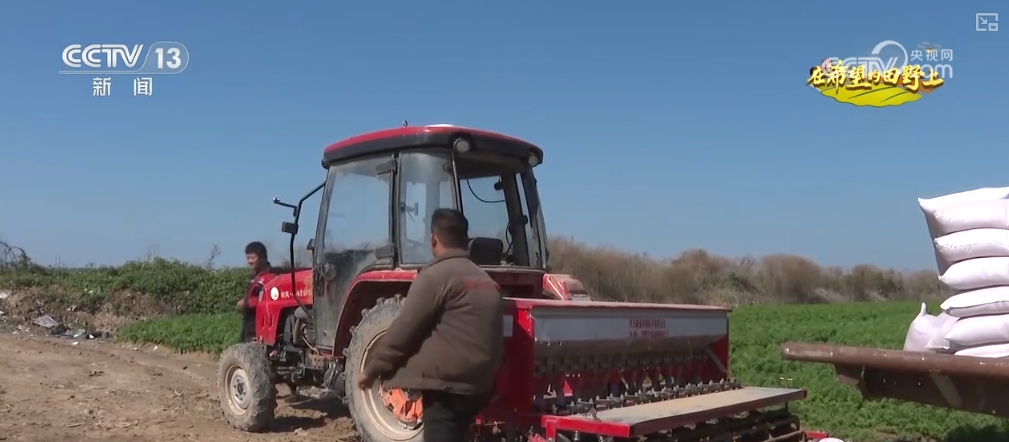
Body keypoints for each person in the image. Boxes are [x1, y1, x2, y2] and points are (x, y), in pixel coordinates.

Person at [359, 208, 504, 442]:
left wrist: (372, 369)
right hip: (480, 384)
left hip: (446, 388)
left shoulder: (435, 277)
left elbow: (404, 330)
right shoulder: (486, 280)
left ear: (433, 239)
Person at [237, 241, 273, 341]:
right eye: (248, 258)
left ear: (263, 258)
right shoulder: (257, 277)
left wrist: (246, 303)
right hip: (250, 322)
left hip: (258, 323)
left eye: (253, 258)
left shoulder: (268, 278)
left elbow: (265, 298)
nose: (250, 261)